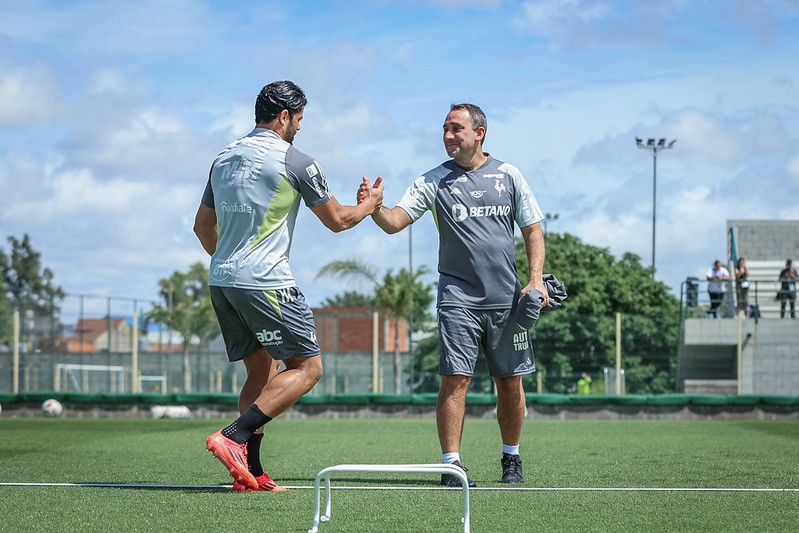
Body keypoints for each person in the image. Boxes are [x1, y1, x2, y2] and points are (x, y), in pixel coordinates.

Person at [193, 80, 384, 492]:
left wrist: (231, 264)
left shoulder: (223, 158)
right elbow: (338, 220)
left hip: (223, 281)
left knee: (261, 373)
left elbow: (201, 227)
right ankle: (233, 436)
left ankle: (252, 474)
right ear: (284, 117)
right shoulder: (296, 161)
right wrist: (370, 204)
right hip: (267, 283)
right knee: (308, 368)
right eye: (298, 120)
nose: (299, 128)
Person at [363, 103, 547, 486]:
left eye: (456, 129)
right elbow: (396, 221)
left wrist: (535, 280)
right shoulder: (434, 180)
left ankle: (511, 458)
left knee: (510, 382)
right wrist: (374, 208)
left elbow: (532, 230)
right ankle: (451, 466)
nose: (448, 136)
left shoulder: (509, 174)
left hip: (506, 301)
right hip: (457, 298)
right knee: (455, 378)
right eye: (445, 129)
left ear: (479, 132)